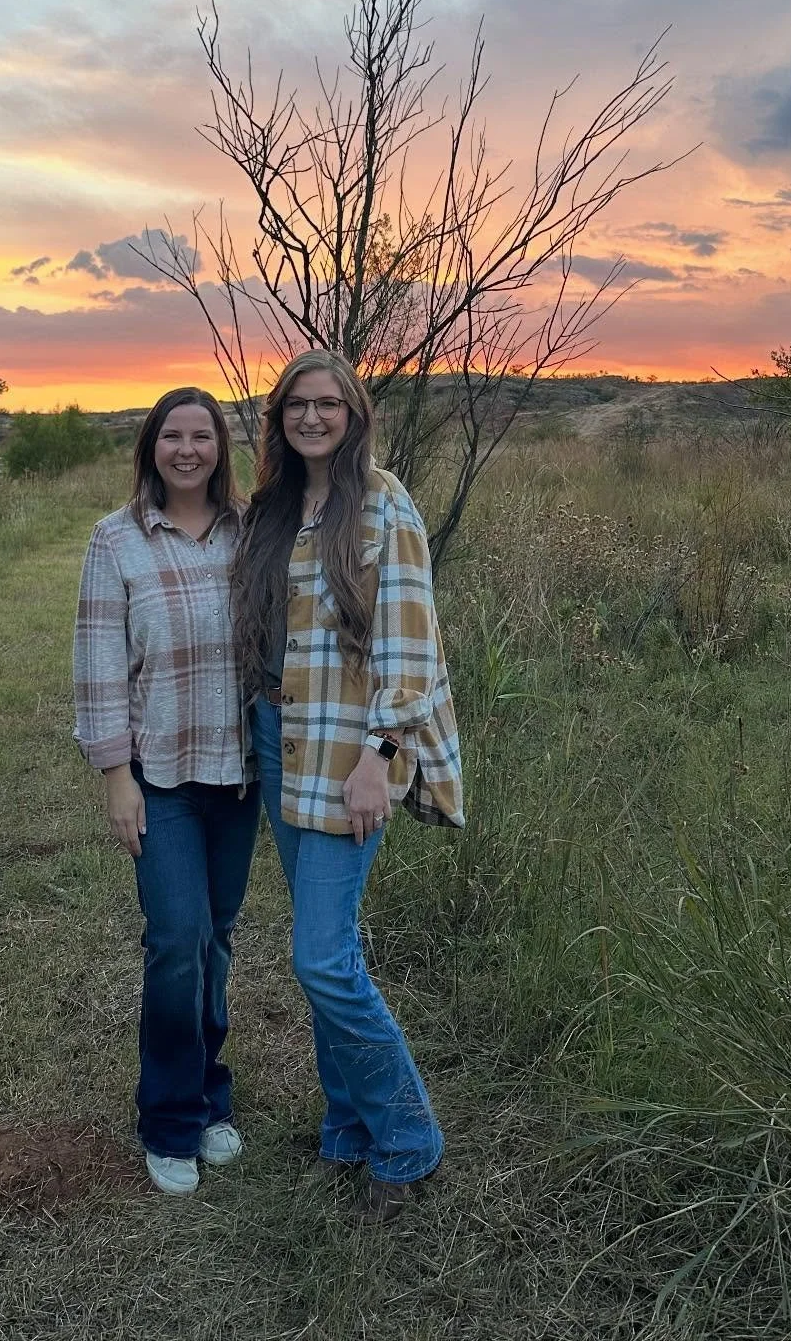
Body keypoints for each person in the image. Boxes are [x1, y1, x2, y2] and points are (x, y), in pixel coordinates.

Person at [233, 349, 463, 1221]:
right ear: (280, 417)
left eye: (329, 404)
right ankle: (346, 1127)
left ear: (354, 413)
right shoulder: (277, 507)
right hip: (279, 739)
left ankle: (408, 1140)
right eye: (299, 404)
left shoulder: (383, 502)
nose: (314, 417)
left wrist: (383, 753)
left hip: (348, 749)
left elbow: (411, 636)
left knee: (321, 960)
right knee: (329, 953)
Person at [73, 388, 259, 1197]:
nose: (188, 450)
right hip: (163, 778)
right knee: (177, 941)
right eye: (172, 436)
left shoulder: (251, 534)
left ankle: (211, 1095)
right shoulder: (115, 543)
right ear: (151, 446)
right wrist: (117, 776)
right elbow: (98, 666)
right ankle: (170, 1119)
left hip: (239, 775)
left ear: (220, 447)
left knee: (216, 940)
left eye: (202, 436)